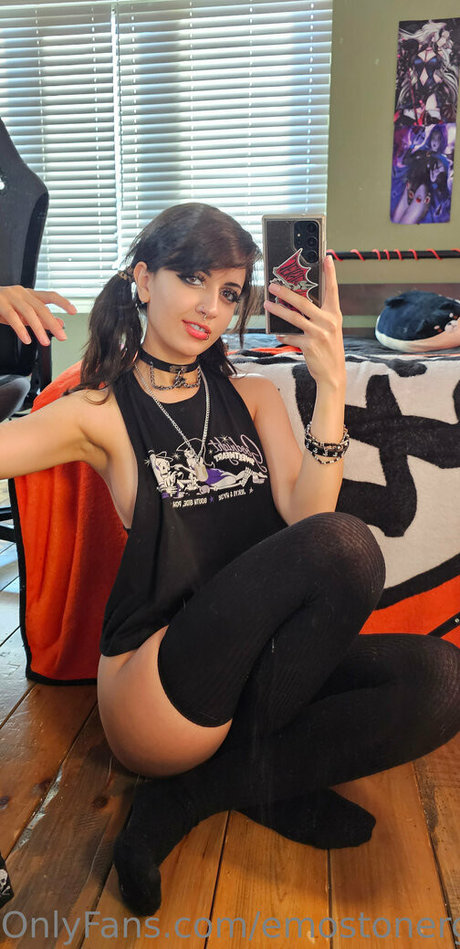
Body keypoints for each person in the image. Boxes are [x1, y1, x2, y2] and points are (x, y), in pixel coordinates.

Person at [0, 203, 459, 917]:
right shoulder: (97, 409)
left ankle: (199, 795)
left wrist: (332, 386)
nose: (212, 307)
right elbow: (331, 543)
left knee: (441, 680)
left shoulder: (255, 396)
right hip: (158, 684)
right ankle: (250, 777)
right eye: (193, 278)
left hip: (258, 669)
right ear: (142, 279)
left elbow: (309, 517)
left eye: (229, 291)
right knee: (345, 544)